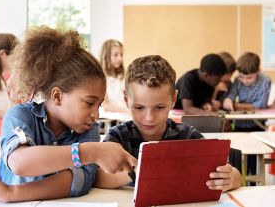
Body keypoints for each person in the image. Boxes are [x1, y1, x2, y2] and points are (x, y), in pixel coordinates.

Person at [0, 27, 136, 202]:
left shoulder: (89, 131)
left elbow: (78, 181)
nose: (96, 114)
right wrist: (91, 152)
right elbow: (20, 163)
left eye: (99, 105)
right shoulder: (19, 115)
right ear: (57, 96)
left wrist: (13, 193)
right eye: (90, 103)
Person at [94, 55, 242, 191]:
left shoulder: (187, 136)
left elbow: (235, 175)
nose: (150, 118)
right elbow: (98, 178)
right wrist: (141, 171)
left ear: (173, 100)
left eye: (159, 107)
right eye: (139, 107)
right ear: (127, 100)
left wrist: (231, 179)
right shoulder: (117, 137)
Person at [223, 52, 271, 130]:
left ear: (258, 71)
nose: (244, 81)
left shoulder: (265, 80)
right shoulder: (237, 80)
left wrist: (237, 105)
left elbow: (262, 104)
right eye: (241, 77)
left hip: (258, 124)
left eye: (249, 78)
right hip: (239, 123)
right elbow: (232, 95)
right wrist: (228, 100)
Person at [99, 39, 128, 113]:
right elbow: (105, 105)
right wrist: (127, 110)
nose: (120, 58)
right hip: (110, 117)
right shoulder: (101, 78)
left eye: (121, 55)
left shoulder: (120, 77)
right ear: (106, 56)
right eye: (116, 55)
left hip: (123, 114)